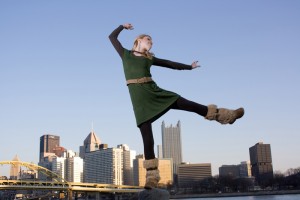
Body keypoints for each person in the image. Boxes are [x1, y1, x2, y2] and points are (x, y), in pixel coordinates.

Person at [109, 23, 244, 189]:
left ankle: (226, 116)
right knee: (147, 137)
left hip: (155, 92)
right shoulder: (125, 54)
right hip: (140, 100)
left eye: (152, 41)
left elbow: (169, 64)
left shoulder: (149, 58)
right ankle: (151, 178)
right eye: (148, 39)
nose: (151, 42)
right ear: (138, 40)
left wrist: (189, 67)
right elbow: (112, 37)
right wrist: (122, 26)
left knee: (188, 104)